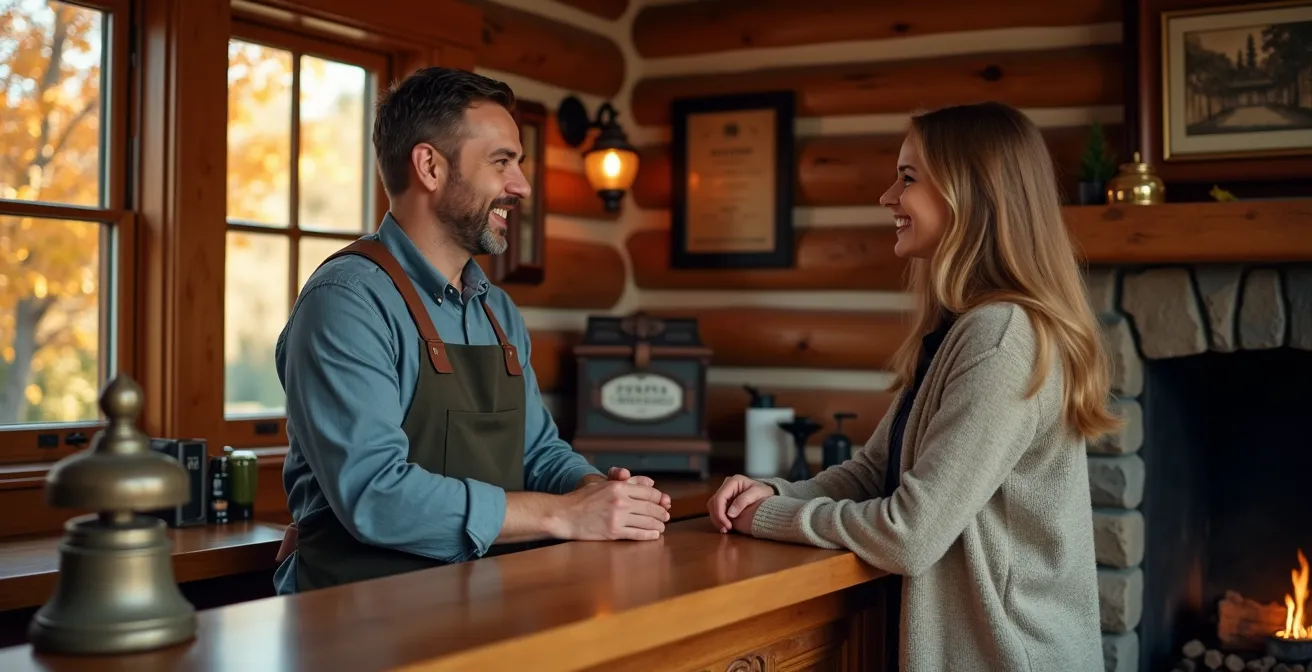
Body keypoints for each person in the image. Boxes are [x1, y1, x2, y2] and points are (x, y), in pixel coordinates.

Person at [706, 101, 1119, 671]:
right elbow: (873, 472)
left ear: (970, 193)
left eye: (907, 178)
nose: (887, 198)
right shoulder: (962, 328)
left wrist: (769, 520)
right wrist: (776, 493)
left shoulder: (1002, 336)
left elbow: (910, 534)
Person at [272, 67, 671, 595]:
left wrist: (597, 492)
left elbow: (537, 454)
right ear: (430, 167)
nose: (522, 186)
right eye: (502, 162)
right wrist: (564, 515)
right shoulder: (346, 303)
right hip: (356, 621)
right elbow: (376, 497)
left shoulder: (496, 312)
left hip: (485, 607)